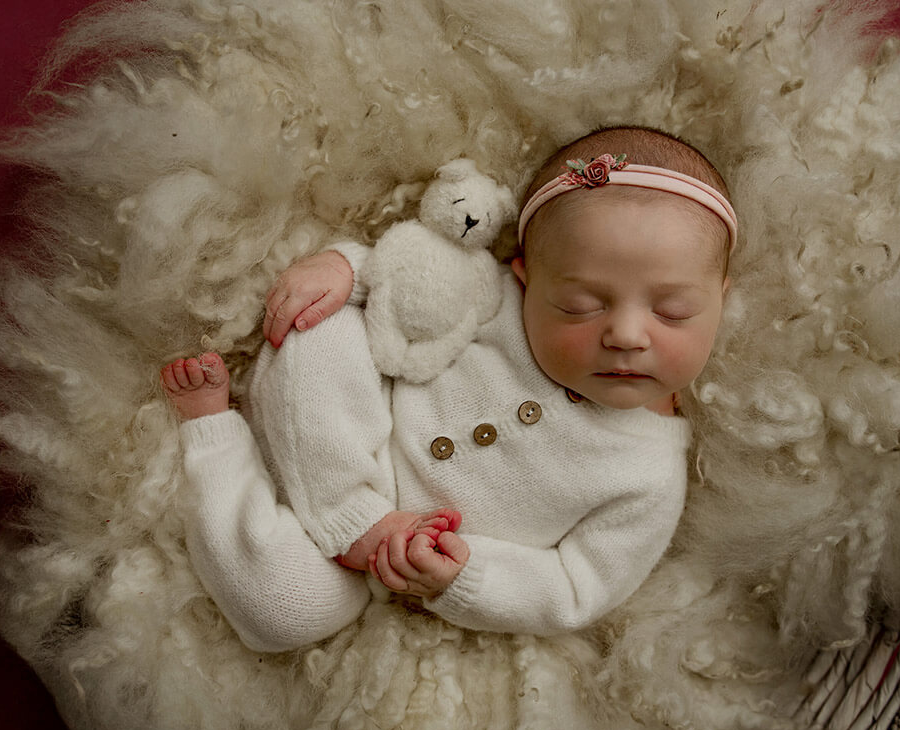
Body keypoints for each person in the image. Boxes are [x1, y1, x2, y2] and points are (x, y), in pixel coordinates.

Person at [161, 126, 737, 650]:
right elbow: (411, 274)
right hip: (346, 436)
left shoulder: (649, 478)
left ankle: (217, 445)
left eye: (674, 311)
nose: (626, 335)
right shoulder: (496, 302)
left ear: (720, 301)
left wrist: (463, 577)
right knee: (324, 325)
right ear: (525, 280)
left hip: (380, 570)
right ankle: (325, 499)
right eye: (580, 306)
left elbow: (576, 588)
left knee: (285, 614)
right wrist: (345, 269)